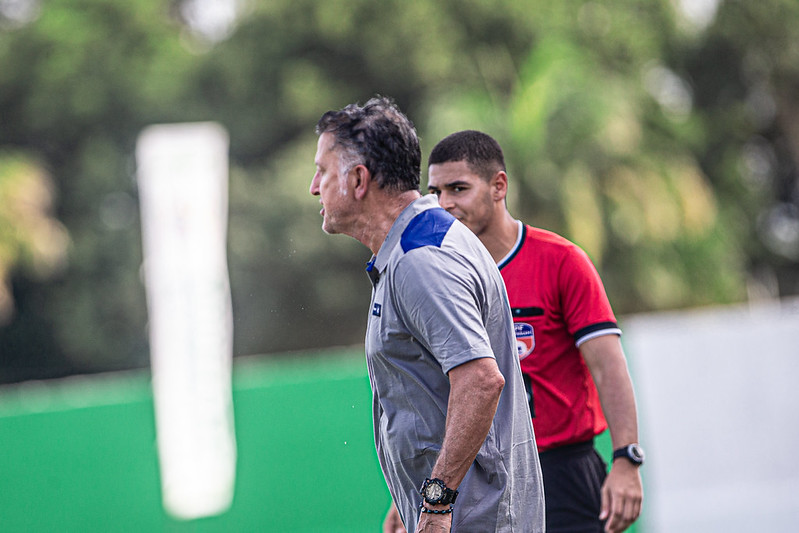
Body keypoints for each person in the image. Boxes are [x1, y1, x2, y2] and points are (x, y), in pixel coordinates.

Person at [310, 98, 545, 533]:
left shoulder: (421, 260)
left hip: (474, 519)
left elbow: (480, 380)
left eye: (322, 171)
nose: (313, 187)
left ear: (358, 179)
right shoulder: (416, 244)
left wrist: (436, 502)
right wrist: (407, 501)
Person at [423, 130, 644, 533]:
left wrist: (626, 459)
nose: (444, 203)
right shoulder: (437, 278)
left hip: (561, 471)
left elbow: (608, 366)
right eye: (435, 192)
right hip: (476, 477)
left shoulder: (561, 260)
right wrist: (428, 490)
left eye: (458, 188)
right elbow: (441, 394)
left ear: (499, 186)